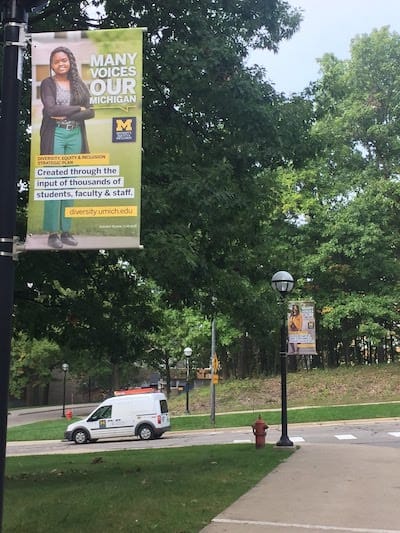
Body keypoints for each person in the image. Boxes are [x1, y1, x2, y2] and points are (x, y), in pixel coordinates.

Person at [40, 46, 94, 249]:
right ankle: (52, 233)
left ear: (70, 61)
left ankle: (66, 231)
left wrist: (68, 113)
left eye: (64, 60)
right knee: (54, 182)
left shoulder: (79, 84)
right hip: (56, 133)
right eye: (56, 61)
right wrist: (76, 109)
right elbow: (51, 109)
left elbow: (90, 112)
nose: (61, 64)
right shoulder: (47, 83)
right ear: (52, 65)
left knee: (69, 182)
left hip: (75, 134)